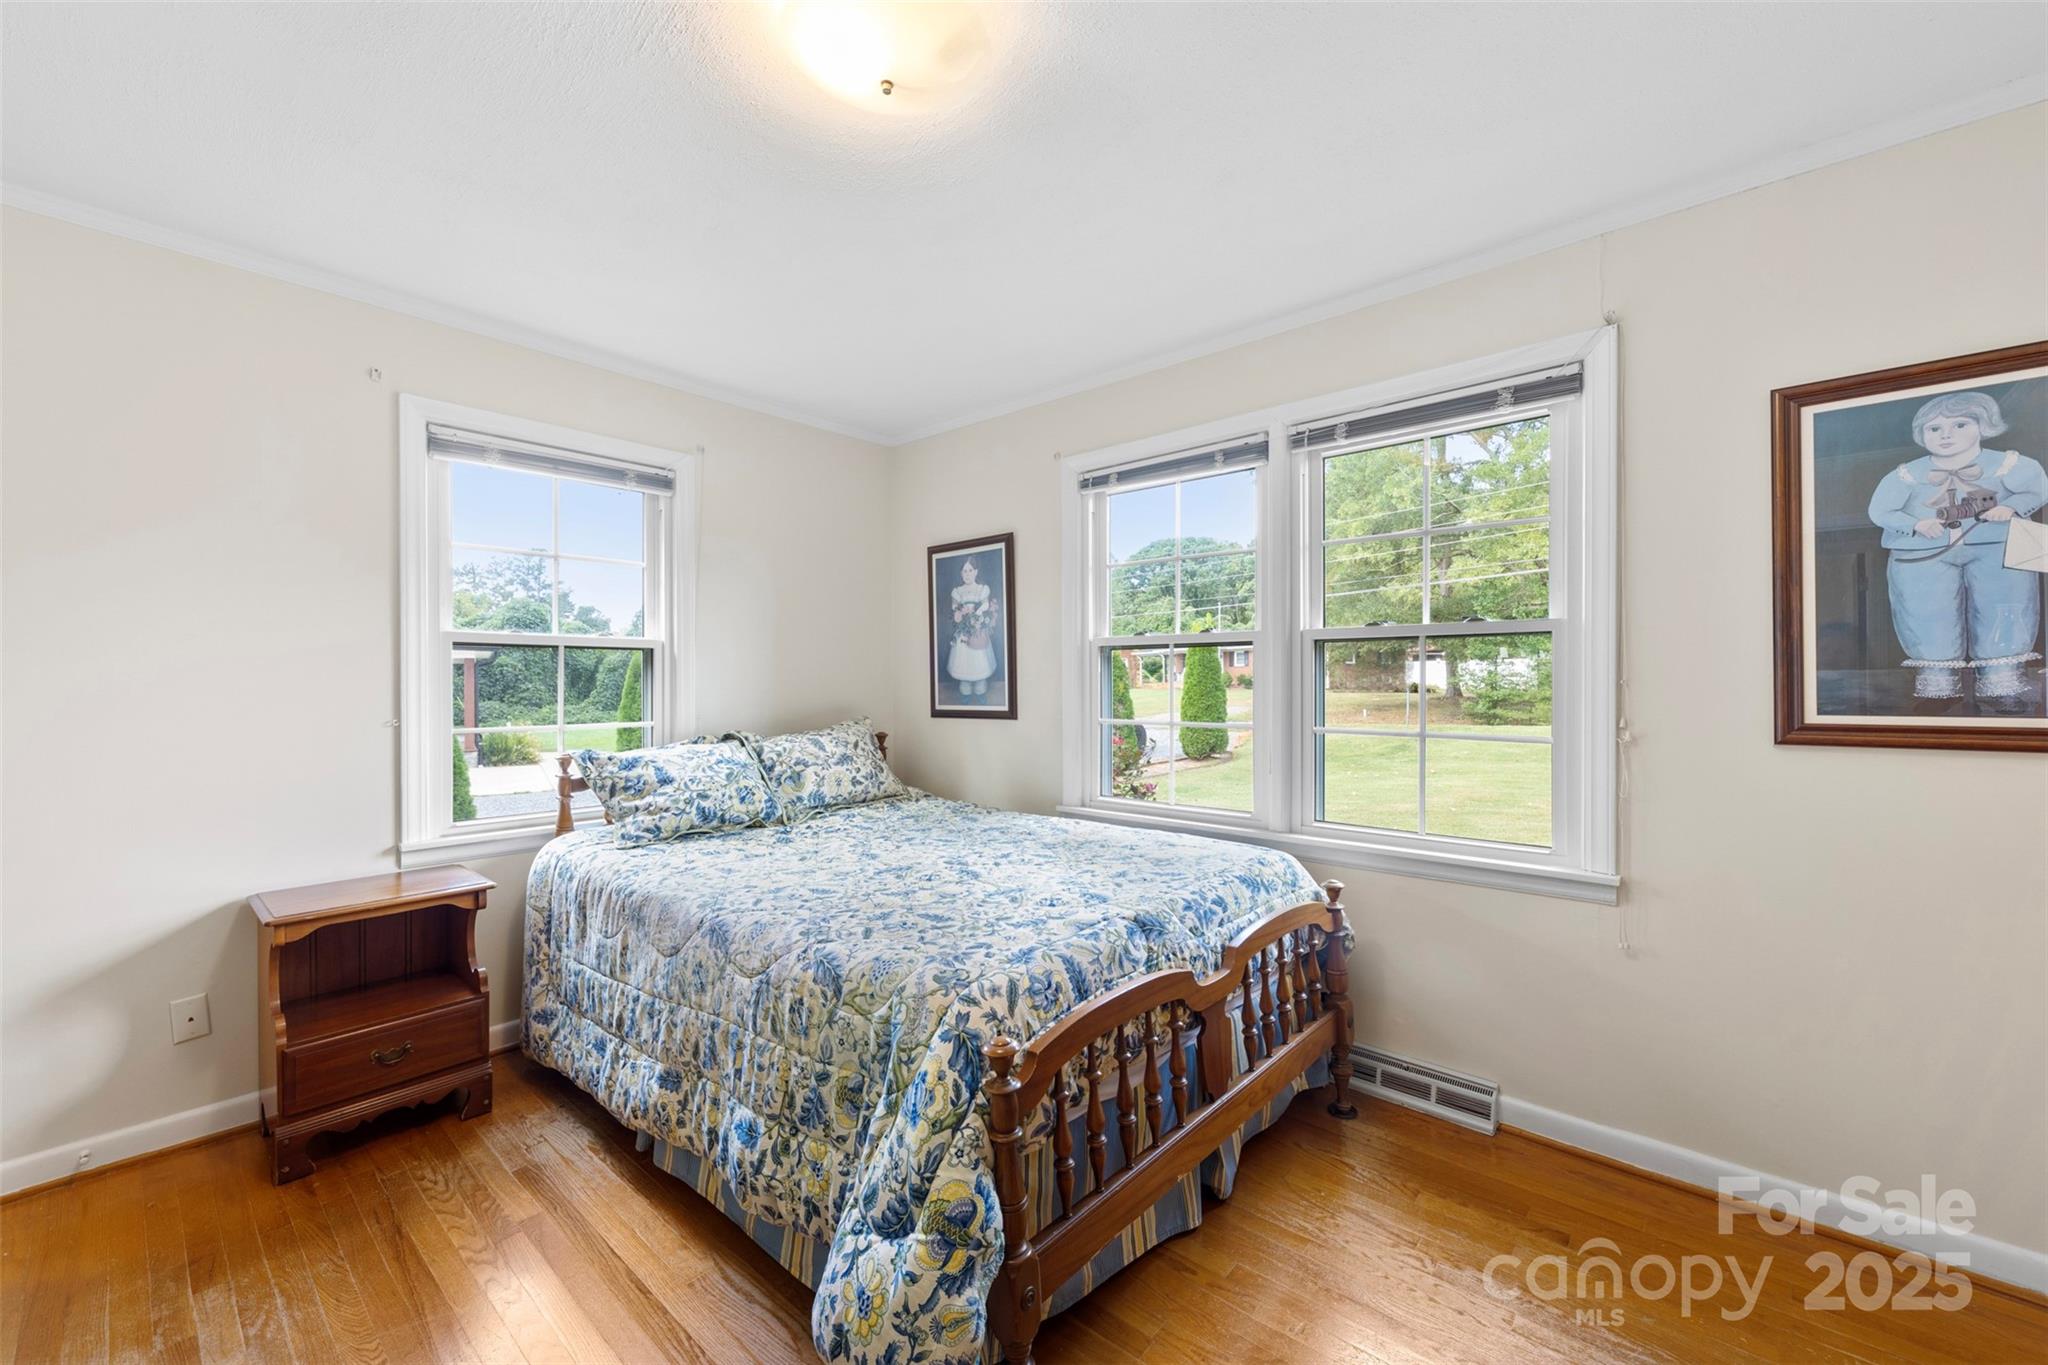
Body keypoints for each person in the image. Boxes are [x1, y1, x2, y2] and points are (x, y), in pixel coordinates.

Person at [1866, 390, 2046, 714]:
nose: (1946, 435)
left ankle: (2001, 681)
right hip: (1923, 552)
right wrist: (1916, 524)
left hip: (1997, 546)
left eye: (1960, 424)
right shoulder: (1906, 474)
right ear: (1921, 434)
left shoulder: (2009, 464)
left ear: (1984, 425)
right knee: (1926, 610)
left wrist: (2012, 507)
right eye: (1934, 429)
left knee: (2005, 603)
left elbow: (2038, 490)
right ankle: (1937, 684)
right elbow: (1880, 511)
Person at [945, 557, 999, 697]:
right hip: (963, 630)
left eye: (970, 570)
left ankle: (980, 687)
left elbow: (985, 604)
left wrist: (977, 614)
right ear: (961, 574)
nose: (967, 574)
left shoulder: (981, 589)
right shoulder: (958, 591)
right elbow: (955, 607)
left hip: (977, 628)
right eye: (964, 571)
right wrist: (960, 613)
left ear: (976, 572)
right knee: (963, 657)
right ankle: (966, 687)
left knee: (978, 656)